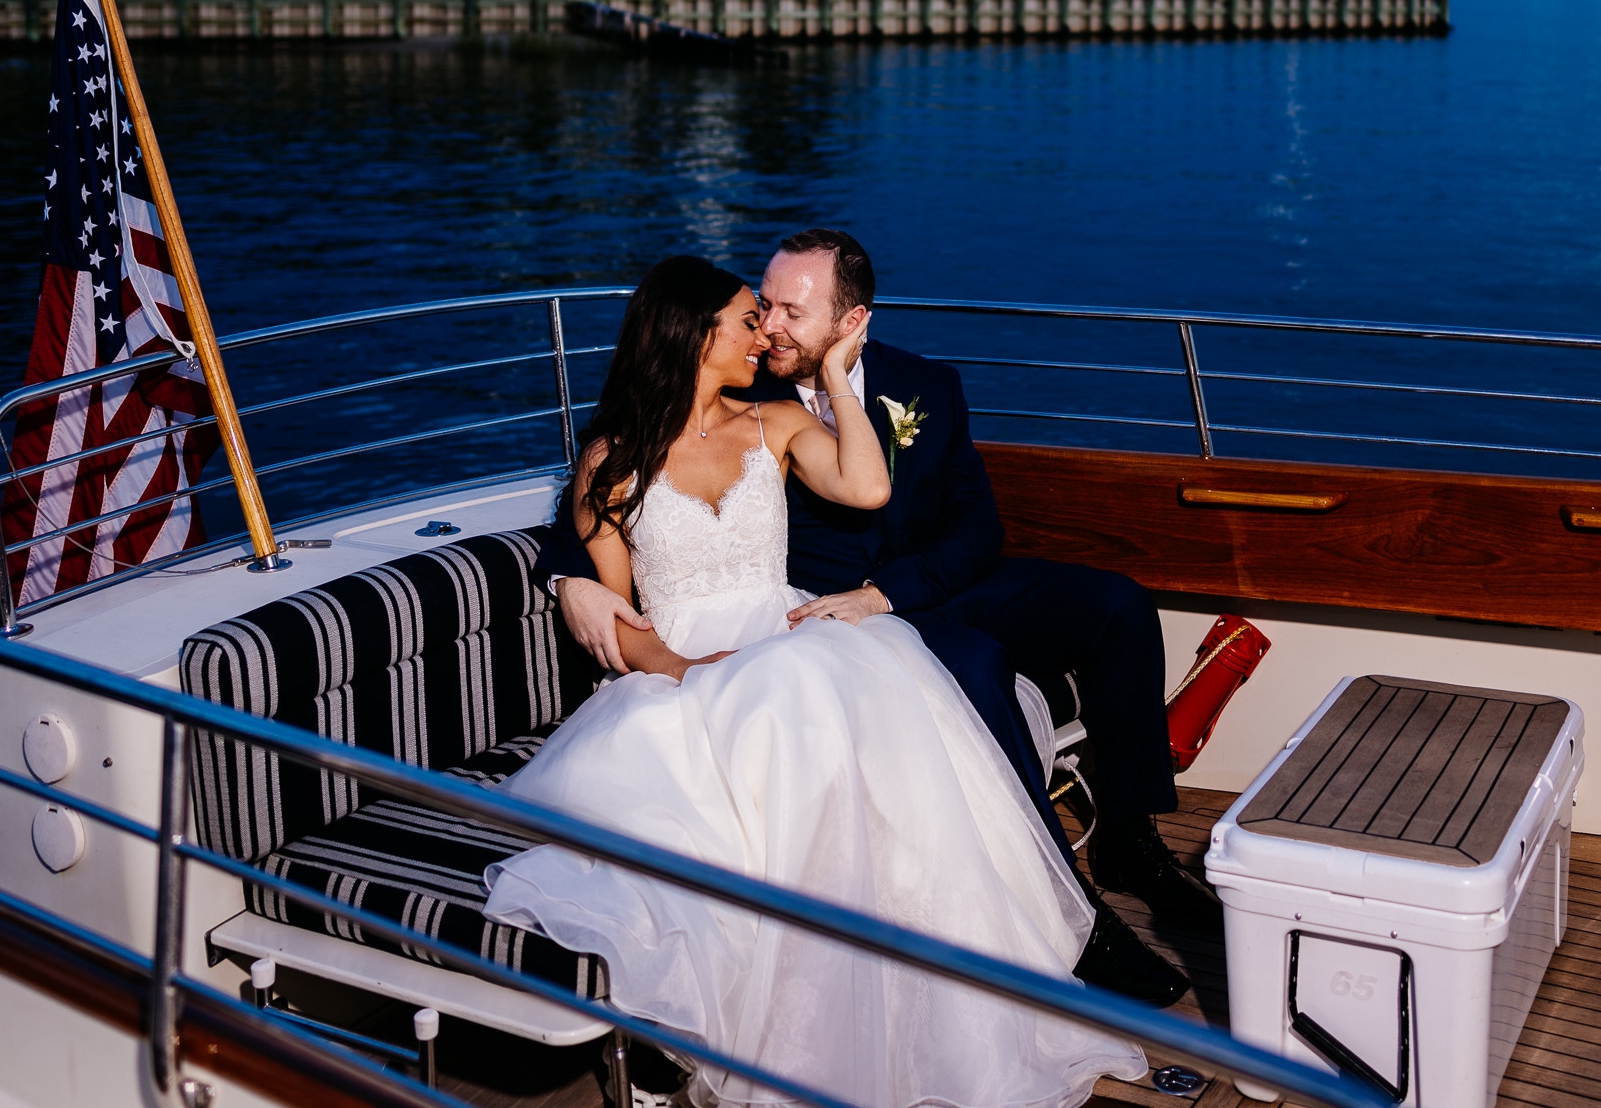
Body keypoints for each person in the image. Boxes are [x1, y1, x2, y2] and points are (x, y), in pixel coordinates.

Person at [483, 258, 1144, 1108]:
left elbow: (868, 487)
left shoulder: (776, 422)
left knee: (834, 693)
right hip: (683, 659)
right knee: (776, 714)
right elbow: (616, 616)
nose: (764, 333)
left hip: (787, 626)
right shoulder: (611, 463)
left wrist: (836, 374)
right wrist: (682, 670)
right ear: (694, 336)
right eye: (746, 320)